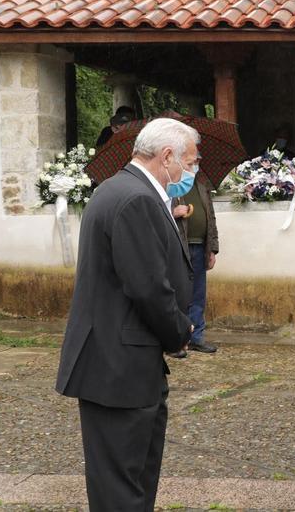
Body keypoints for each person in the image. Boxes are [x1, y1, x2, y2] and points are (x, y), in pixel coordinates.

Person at [54, 118, 198, 511]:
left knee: (129, 481)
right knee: (122, 488)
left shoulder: (121, 189)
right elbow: (147, 286)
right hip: (119, 366)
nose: (193, 170)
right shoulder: (134, 197)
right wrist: (179, 331)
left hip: (119, 361)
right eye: (191, 161)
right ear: (167, 156)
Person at [170, 171, 219, 357]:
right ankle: (177, 341)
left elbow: (211, 218)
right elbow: (155, 210)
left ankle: (196, 339)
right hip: (179, 246)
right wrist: (173, 212)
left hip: (200, 247)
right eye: (191, 161)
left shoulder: (202, 185)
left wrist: (212, 249)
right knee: (179, 293)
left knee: (198, 294)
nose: (195, 164)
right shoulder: (170, 185)